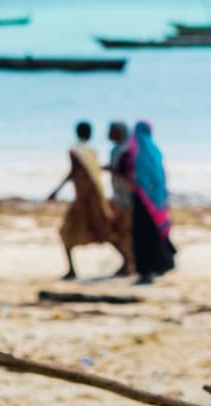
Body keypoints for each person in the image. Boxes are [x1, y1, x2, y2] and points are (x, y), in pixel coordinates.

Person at [48, 121, 119, 280]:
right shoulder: (90, 151)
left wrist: (56, 190)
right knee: (103, 231)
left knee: (68, 232)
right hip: (94, 198)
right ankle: (128, 261)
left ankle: (72, 269)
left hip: (84, 200)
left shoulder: (76, 151)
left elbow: (73, 173)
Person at [113, 120, 176, 285]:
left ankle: (146, 270)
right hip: (156, 201)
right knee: (154, 234)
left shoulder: (136, 153)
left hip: (142, 199)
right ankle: (159, 265)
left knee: (142, 236)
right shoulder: (154, 151)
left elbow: (131, 175)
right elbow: (160, 177)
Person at [105, 121, 136, 276]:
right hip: (119, 197)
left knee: (121, 232)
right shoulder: (119, 150)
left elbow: (125, 173)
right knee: (119, 232)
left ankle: (129, 263)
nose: (108, 134)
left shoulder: (124, 151)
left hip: (125, 199)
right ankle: (128, 262)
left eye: (111, 130)